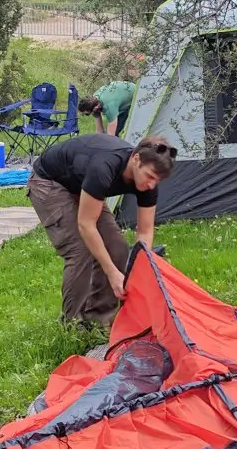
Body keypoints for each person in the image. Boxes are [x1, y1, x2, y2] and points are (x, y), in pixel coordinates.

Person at [26, 133, 176, 326]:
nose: (151, 184)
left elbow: (145, 231)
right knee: (80, 250)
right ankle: (72, 326)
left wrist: (141, 268)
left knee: (117, 247)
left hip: (83, 186)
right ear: (136, 158)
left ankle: (99, 320)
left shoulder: (148, 185)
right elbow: (86, 225)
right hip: (49, 182)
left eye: (157, 180)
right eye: (149, 176)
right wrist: (112, 273)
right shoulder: (104, 167)